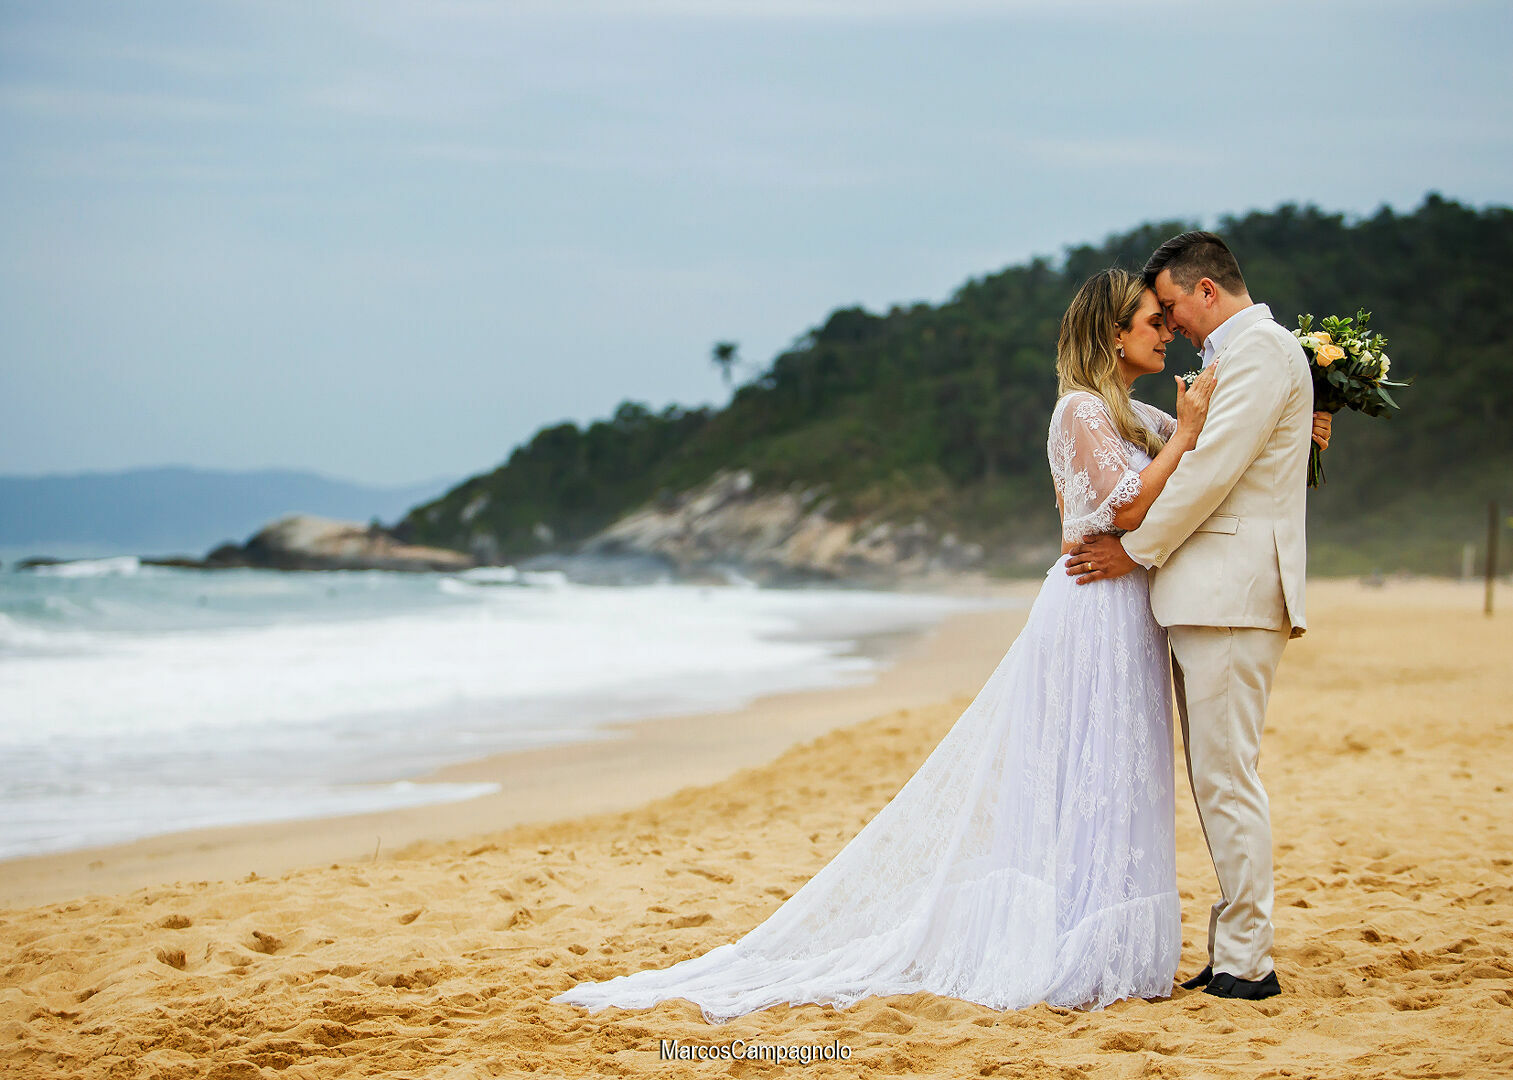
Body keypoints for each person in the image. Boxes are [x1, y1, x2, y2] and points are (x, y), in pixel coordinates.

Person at [551, 267, 1241, 1025]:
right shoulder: (1078, 410)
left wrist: (1258, 423)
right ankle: (1074, 940)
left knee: (1121, 770)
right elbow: (1131, 503)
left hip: (1127, 609)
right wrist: (1188, 432)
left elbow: (1180, 487)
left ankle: (1110, 941)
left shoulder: (1133, 415)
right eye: (1150, 319)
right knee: (1088, 769)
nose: (1165, 329)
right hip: (1090, 612)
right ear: (1110, 332)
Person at [1066, 231, 1325, 1001]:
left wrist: (1133, 551)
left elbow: (1211, 472)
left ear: (1205, 290)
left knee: (1226, 778)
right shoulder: (1239, 360)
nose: (1170, 321)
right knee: (1215, 778)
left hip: (1232, 595)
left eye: (1172, 304)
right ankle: (1231, 950)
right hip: (1212, 593)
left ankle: (1247, 961)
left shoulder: (1261, 353)